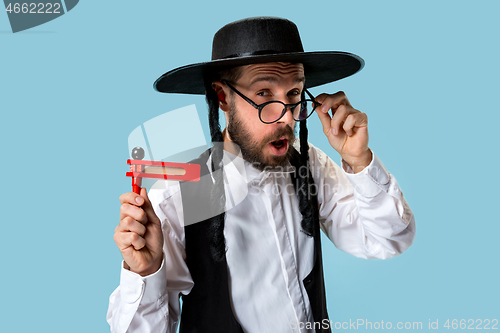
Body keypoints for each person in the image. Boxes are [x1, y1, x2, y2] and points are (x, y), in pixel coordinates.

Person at [107, 17, 415, 333]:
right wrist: (145, 272)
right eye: (265, 94)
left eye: (294, 93)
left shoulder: (309, 164)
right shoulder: (177, 196)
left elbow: (388, 239)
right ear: (223, 97)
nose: (284, 119)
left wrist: (359, 160)